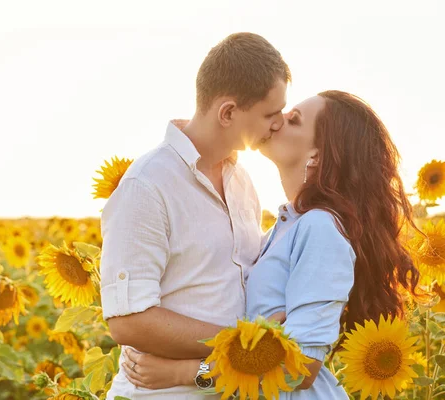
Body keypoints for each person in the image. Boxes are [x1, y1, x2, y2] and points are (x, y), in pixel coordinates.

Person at [120, 91, 421, 399]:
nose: (277, 122)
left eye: (294, 120)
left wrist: (181, 373)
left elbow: (300, 367)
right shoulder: (288, 225)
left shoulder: (321, 228)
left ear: (317, 155)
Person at [99, 32, 290, 399]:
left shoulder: (242, 181)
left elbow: (207, 372)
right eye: (270, 113)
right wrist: (241, 346)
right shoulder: (147, 185)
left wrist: (197, 368)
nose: (278, 123)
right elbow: (127, 321)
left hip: (211, 384)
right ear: (228, 112)